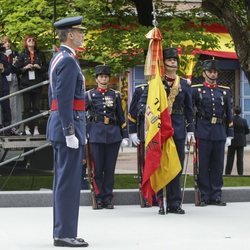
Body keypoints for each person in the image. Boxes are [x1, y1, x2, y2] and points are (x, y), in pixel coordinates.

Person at [47, 16, 88, 247]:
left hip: (63, 125)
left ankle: (63, 231)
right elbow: (62, 99)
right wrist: (70, 131)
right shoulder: (68, 61)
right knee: (68, 183)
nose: (82, 35)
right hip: (67, 127)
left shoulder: (60, 57)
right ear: (70, 35)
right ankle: (64, 234)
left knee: (64, 182)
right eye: (79, 32)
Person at [137, 48, 195, 215]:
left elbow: (190, 109)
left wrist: (190, 130)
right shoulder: (156, 83)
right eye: (169, 60)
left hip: (178, 128)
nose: (173, 62)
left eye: (175, 60)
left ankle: (175, 203)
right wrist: (150, 115)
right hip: (160, 129)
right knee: (161, 164)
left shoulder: (183, 84)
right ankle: (160, 201)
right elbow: (142, 104)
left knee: (176, 166)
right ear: (164, 63)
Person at [85, 65, 129, 210]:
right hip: (96, 134)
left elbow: (120, 116)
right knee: (97, 169)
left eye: (106, 76)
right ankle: (98, 197)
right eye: (101, 76)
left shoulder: (115, 95)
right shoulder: (90, 95)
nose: (104, 79)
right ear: (96, 79)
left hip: (113, 134)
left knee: (109, 169)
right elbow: (81, 117)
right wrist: (85, 133)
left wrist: (125, 135)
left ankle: (108, 198)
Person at [192, 59, 234, 207]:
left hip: (219, 131)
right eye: (210, 71)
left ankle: (216, 195)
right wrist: (190, 132)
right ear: (204, 73)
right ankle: (204, 195)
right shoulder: (196, 90)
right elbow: (191, 113)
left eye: (215, 71)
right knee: (203, 165)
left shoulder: (224, 91)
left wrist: (230, 133)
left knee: (217, 165)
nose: (213, 74)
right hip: (203, 130)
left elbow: (229, 113)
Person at [16, 35, 47, 136]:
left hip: (37, 84)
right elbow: (16, 69)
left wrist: (39, 67)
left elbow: (46, 68)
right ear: (26, 42)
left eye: (33, 40)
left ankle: (36, 127)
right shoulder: (22, 55)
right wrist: (25, 67)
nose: (31, 41)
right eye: (29, 40)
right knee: (26, 108)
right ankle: (27, 127)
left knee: (36, 107)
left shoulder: (40, 54)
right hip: (26, 84)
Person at [2, 36, 22, 135]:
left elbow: (17, 69)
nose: (7, 44)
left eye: (8, 42)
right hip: (3, 80)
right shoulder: (1, 54)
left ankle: (13, 126)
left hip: (12, 78)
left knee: (13, 103)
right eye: (5, 42)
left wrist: (14, 64)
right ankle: (3, 126)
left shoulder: (15, 53)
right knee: (4, 104)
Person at [225, 106, 249, 175]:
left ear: (234, 111)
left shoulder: (231, 120)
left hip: (232, 141)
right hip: (241, 141)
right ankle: (240, 173)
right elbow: (247, 130)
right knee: (240, 159)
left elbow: (227, 129)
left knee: (230, 158)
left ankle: (227, 173)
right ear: (240, 112)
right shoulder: (243, 120)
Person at [0, 41, 12, 134]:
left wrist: (3, 69)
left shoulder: (3, 57)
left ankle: (7, 128)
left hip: (3, 85)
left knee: (6, 107)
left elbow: (8, 70)